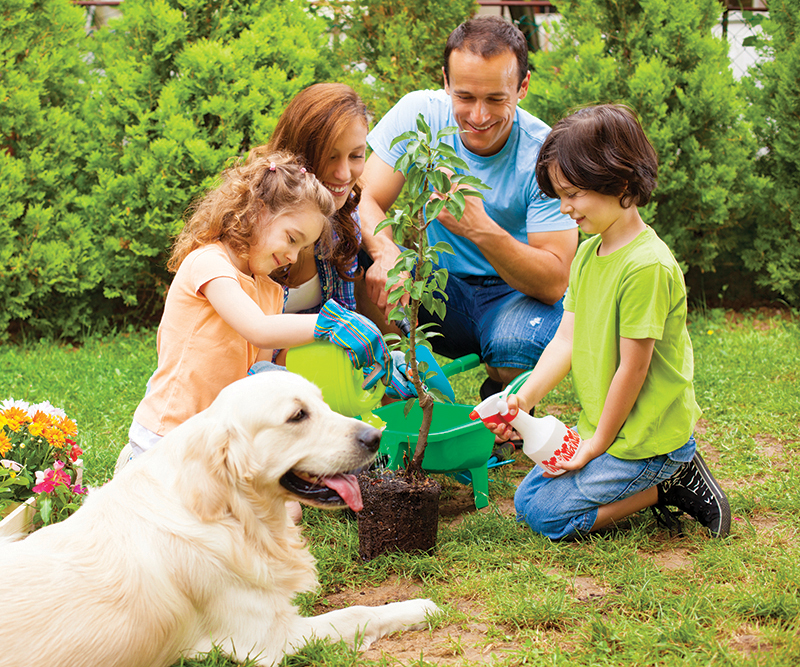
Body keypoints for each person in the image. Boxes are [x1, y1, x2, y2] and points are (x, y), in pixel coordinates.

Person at [485, 104, 730, 540]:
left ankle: (672, 482)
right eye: (559, 195)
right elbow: (566, 339)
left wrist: (594, 447)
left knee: (546, 516)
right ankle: (648, 475)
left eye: (573, 194)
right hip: (609, 432)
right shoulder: (586, 254)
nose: (564, 208)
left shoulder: (646, 266)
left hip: (647, 441)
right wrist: (524, 396)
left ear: (618, 182)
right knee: (526, 502)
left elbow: (632, 369)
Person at [358, 15, 579, 397]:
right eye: (464, 97)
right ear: (446, 81)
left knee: (515, 348)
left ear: (522, 86)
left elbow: (554, 281)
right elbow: (365, 198)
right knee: (364, 269)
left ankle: (500, 389)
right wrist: (386, 252)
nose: (478, 117)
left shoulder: (546, 153)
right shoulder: (419, 115)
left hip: (515, 293)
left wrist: (479, 227)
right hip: (437, 283)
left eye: (496, 99)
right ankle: (403, 394)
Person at [124, 152, 392, 461]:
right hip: (170, 433)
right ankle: (134, 462)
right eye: (292, 238)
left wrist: (349, 373)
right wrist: (334, 323)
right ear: (255, 212)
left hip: (223, 439)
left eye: (302, 247)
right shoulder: (209, 262)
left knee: (289, 512)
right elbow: (259, 330)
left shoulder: (271, 291)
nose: (293, 256)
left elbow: (260, 373)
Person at [257, 83, 368, 315]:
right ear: (299, 152)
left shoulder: (344, 222)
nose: (344, 174)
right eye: (330, 156)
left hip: (308, 350)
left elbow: (344, 314)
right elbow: (241, 333)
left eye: (356, 155)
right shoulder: (255, 220)